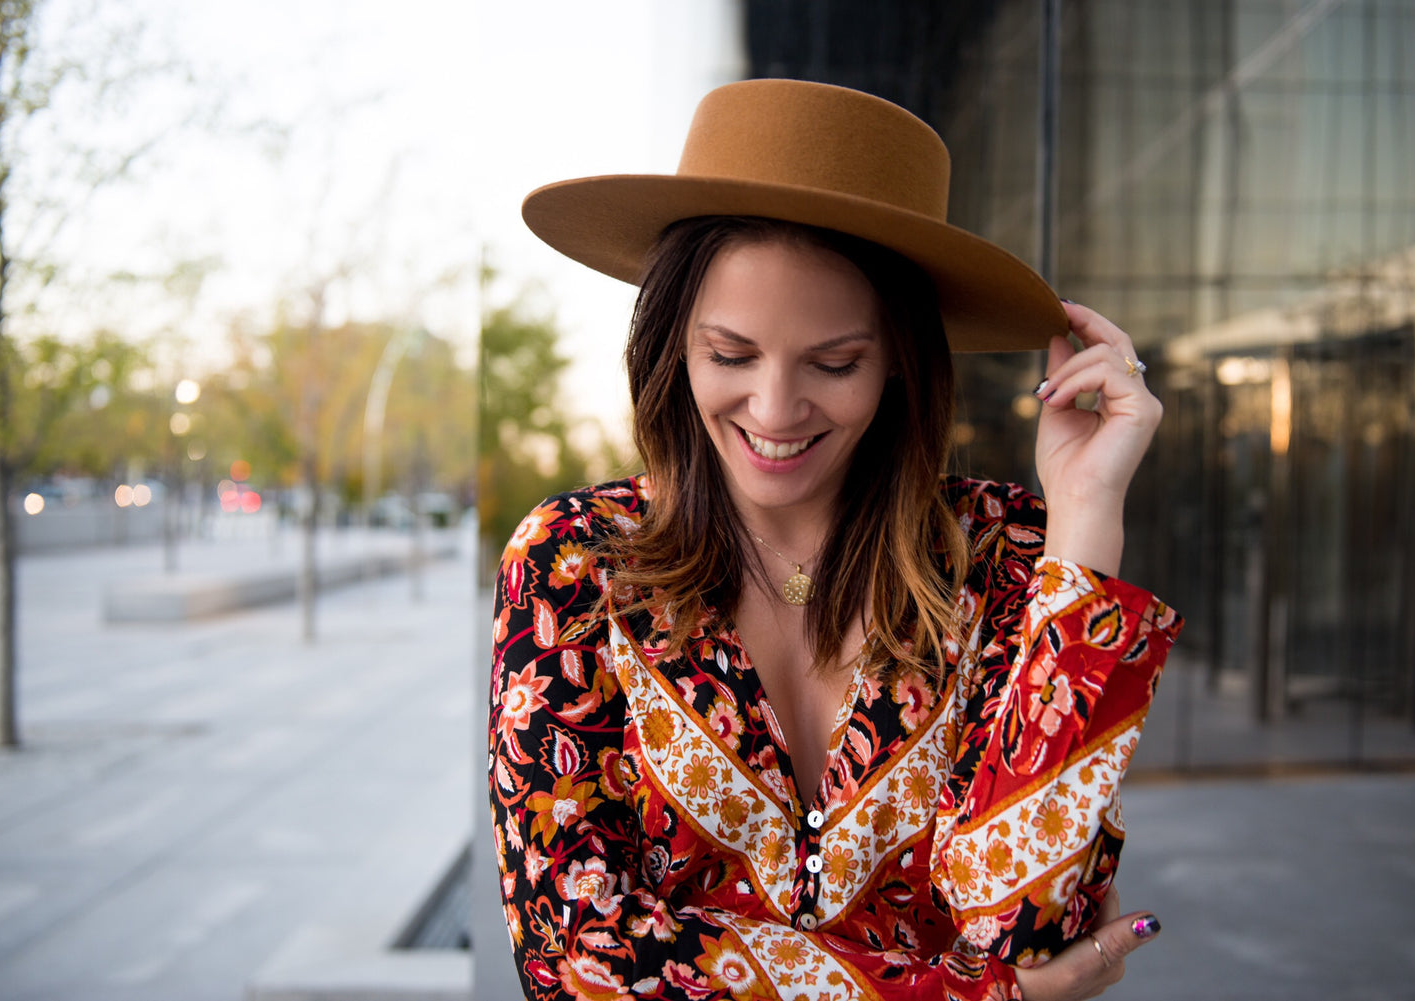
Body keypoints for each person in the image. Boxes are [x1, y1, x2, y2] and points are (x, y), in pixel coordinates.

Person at [490, 79, 1182, 1000]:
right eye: (730, 355)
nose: (774, 411)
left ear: (900, 359)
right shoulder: (576, 562)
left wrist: (1088, 519)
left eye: (835, 362)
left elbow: (1029, 934)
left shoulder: (1010, 556)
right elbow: (573, 957)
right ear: (673, 345)